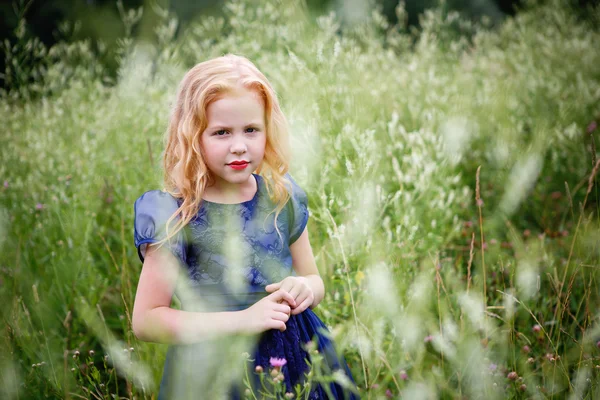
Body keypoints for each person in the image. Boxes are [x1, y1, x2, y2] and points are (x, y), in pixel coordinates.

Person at [132, 54, 360, 400]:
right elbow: (147, 320)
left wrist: (305, 289)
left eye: (251, 130)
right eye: (221, 132)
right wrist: (243, 320)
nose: (239, 145)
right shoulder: (175, 214)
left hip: (295, 356)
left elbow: (314, 279)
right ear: (194, 136)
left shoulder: (282, 196)